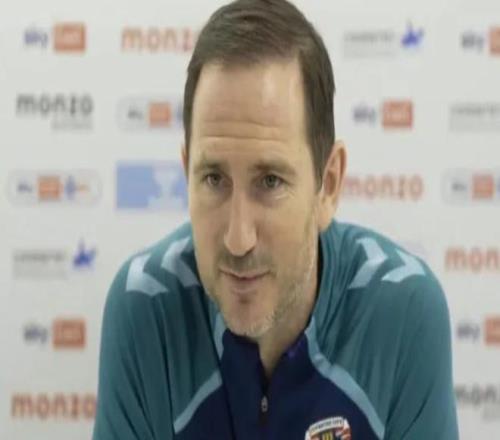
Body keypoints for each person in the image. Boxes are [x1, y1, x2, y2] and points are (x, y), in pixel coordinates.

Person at [92, 0, 459, 439]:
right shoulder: (144, 308)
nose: (238, 238)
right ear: (186, 172)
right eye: (213, 179)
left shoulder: (404, 313)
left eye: (269, 181)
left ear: (328, 184)